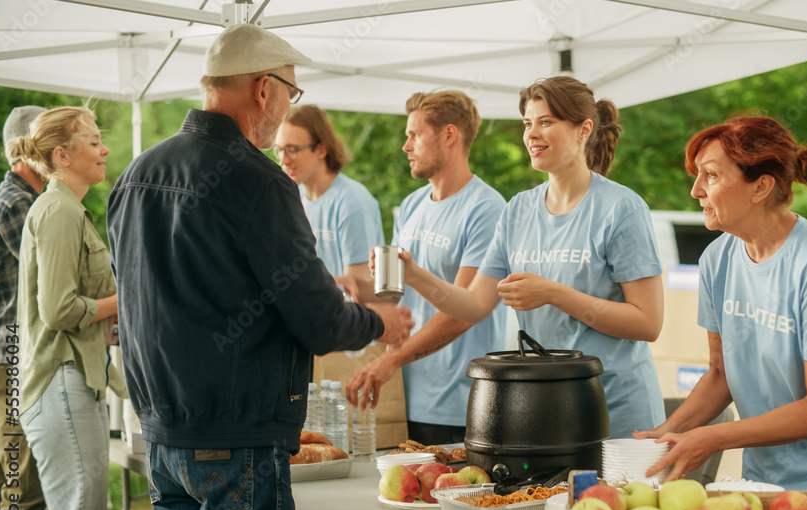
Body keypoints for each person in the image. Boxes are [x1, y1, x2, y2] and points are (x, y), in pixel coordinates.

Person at [105, 24, 413, 510]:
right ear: (263, 89)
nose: (287, 106)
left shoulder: (134, 175)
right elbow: (318, 320)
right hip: (235, 442)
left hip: (161, 436)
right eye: (291, 92)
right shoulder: (260, 182)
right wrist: (379, 323)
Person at [635, 115, 807, 491]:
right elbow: (721, 374)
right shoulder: (717, 260)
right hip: (767, 481)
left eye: (711, 176)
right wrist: (663, 435)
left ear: (761, 186)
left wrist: (714, 437)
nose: (696, 190)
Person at [396, 76, 666, 440]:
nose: (532, 134)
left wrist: (554, 294)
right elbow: (474, 305)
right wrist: (413, 274)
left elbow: (648, 323)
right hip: (545, 409)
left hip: (616, 410)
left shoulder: (622, 208)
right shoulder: (517, 210)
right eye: (527, 123)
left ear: (584, 129)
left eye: (546, 122)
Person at [345, 91, 506, 445]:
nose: (406, 146)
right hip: (405, 396)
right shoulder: (412, 204)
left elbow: (464, 311)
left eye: (415, 135)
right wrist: (351, 289)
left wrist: (392, 360)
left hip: (460, 404)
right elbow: (399, 297)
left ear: (450, 135)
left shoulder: (486, 209)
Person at [10, 105, 122, 510]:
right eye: (94, 142)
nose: (105, 149)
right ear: (62, 155)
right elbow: (57, 310)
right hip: (60, 384)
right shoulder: (58, 211)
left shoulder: (67, 208)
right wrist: (129, 300)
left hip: (74, 383)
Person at [0, 106, 48, 510]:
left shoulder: (13, 199)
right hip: (11, 359)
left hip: (3, 357)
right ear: (26, 147)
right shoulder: (16, 204)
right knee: (22, 491)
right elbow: (56, 279)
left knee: (2, 489)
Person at [274, 105, 384, 281]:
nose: (283, 160)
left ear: (321, 149)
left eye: (292, 149)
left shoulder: (352, 202)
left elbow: (358, 286)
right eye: (279, 149)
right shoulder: (295, 199)